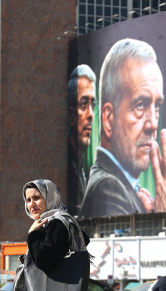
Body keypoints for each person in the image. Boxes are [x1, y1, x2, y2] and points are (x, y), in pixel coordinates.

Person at [80, 38, 166, 218]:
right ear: (108, 119)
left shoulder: (124, 187)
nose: (153, 124)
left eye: (157, 106)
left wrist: (153, 219)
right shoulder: (108, 189)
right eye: (141, 105)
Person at [68, 64, 97, 213]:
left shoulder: (81, 174)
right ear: (71, 114)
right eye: (84, 104)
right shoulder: (65, 173)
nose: (91, 114)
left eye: (93, 104)